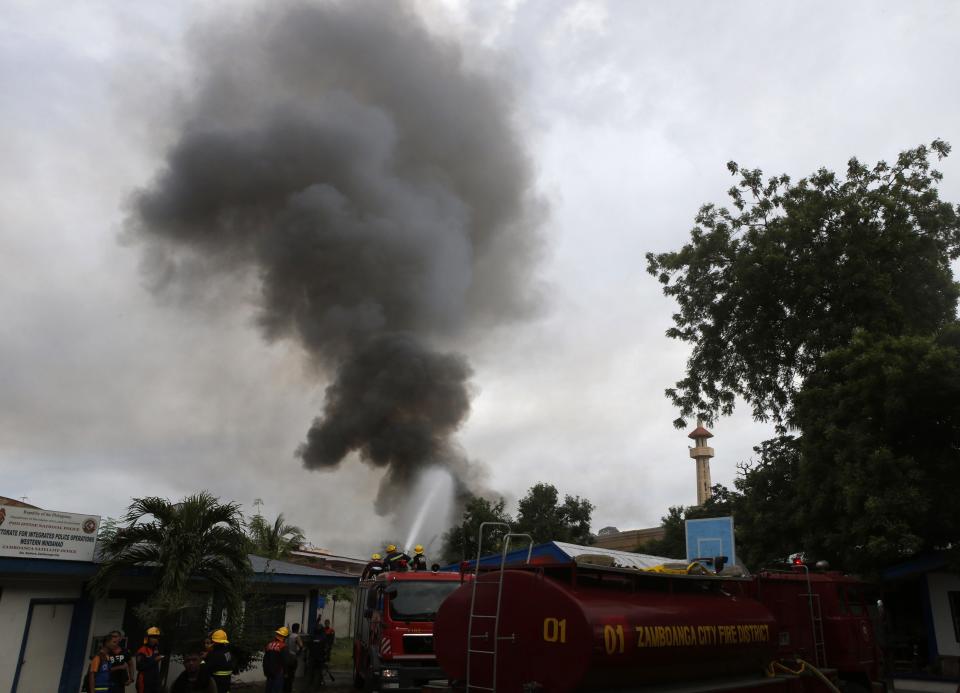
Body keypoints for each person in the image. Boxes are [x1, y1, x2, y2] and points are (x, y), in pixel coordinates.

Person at [204, 629, 234, 693]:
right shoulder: (227, 652)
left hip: (217, 684)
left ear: (214, 642)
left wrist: (205, 658)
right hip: (226, 684)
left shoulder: (215, 654)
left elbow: (207, 669)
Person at [135, 627, 164, 693]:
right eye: (153, 637)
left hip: (154, 682)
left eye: (156, 638)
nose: (155, 640)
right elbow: (139, 667)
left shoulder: (156, 649)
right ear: (147, 638)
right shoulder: (142, 650)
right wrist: (154, 660)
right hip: (144, 681)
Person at [263, 626, 288, 693]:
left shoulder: (269, 645)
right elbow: (285, 661)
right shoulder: (283, 646)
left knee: (269, 689)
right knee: (277, 689)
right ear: (284, 637)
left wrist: (265, 671)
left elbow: (265, 659)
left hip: (269, 671)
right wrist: (286, 672)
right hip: (278, 672)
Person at [283, 623, 302, 693]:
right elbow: (301, 646)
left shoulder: (288, 636)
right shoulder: (297, 636)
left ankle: (284, 689)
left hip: (286, 657)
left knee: (286, 675)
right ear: (298, 629)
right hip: (293, 657)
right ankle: (289, 690)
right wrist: (299, 652)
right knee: (291, 676)